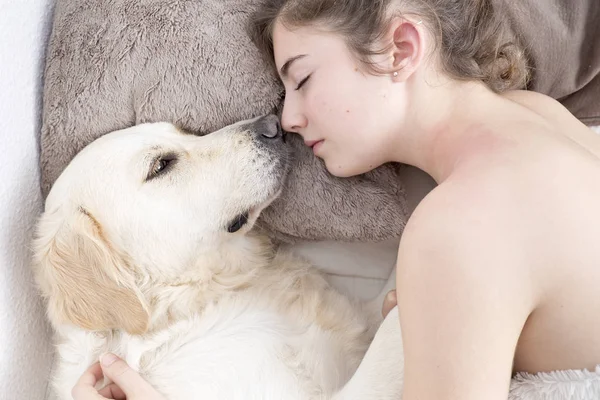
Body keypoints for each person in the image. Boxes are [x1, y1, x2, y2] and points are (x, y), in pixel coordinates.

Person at [73, 0, 600, 398]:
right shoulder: (541, 116)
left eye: (302, 78)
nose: (287, 119)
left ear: (402, 48)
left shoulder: (460, 227)